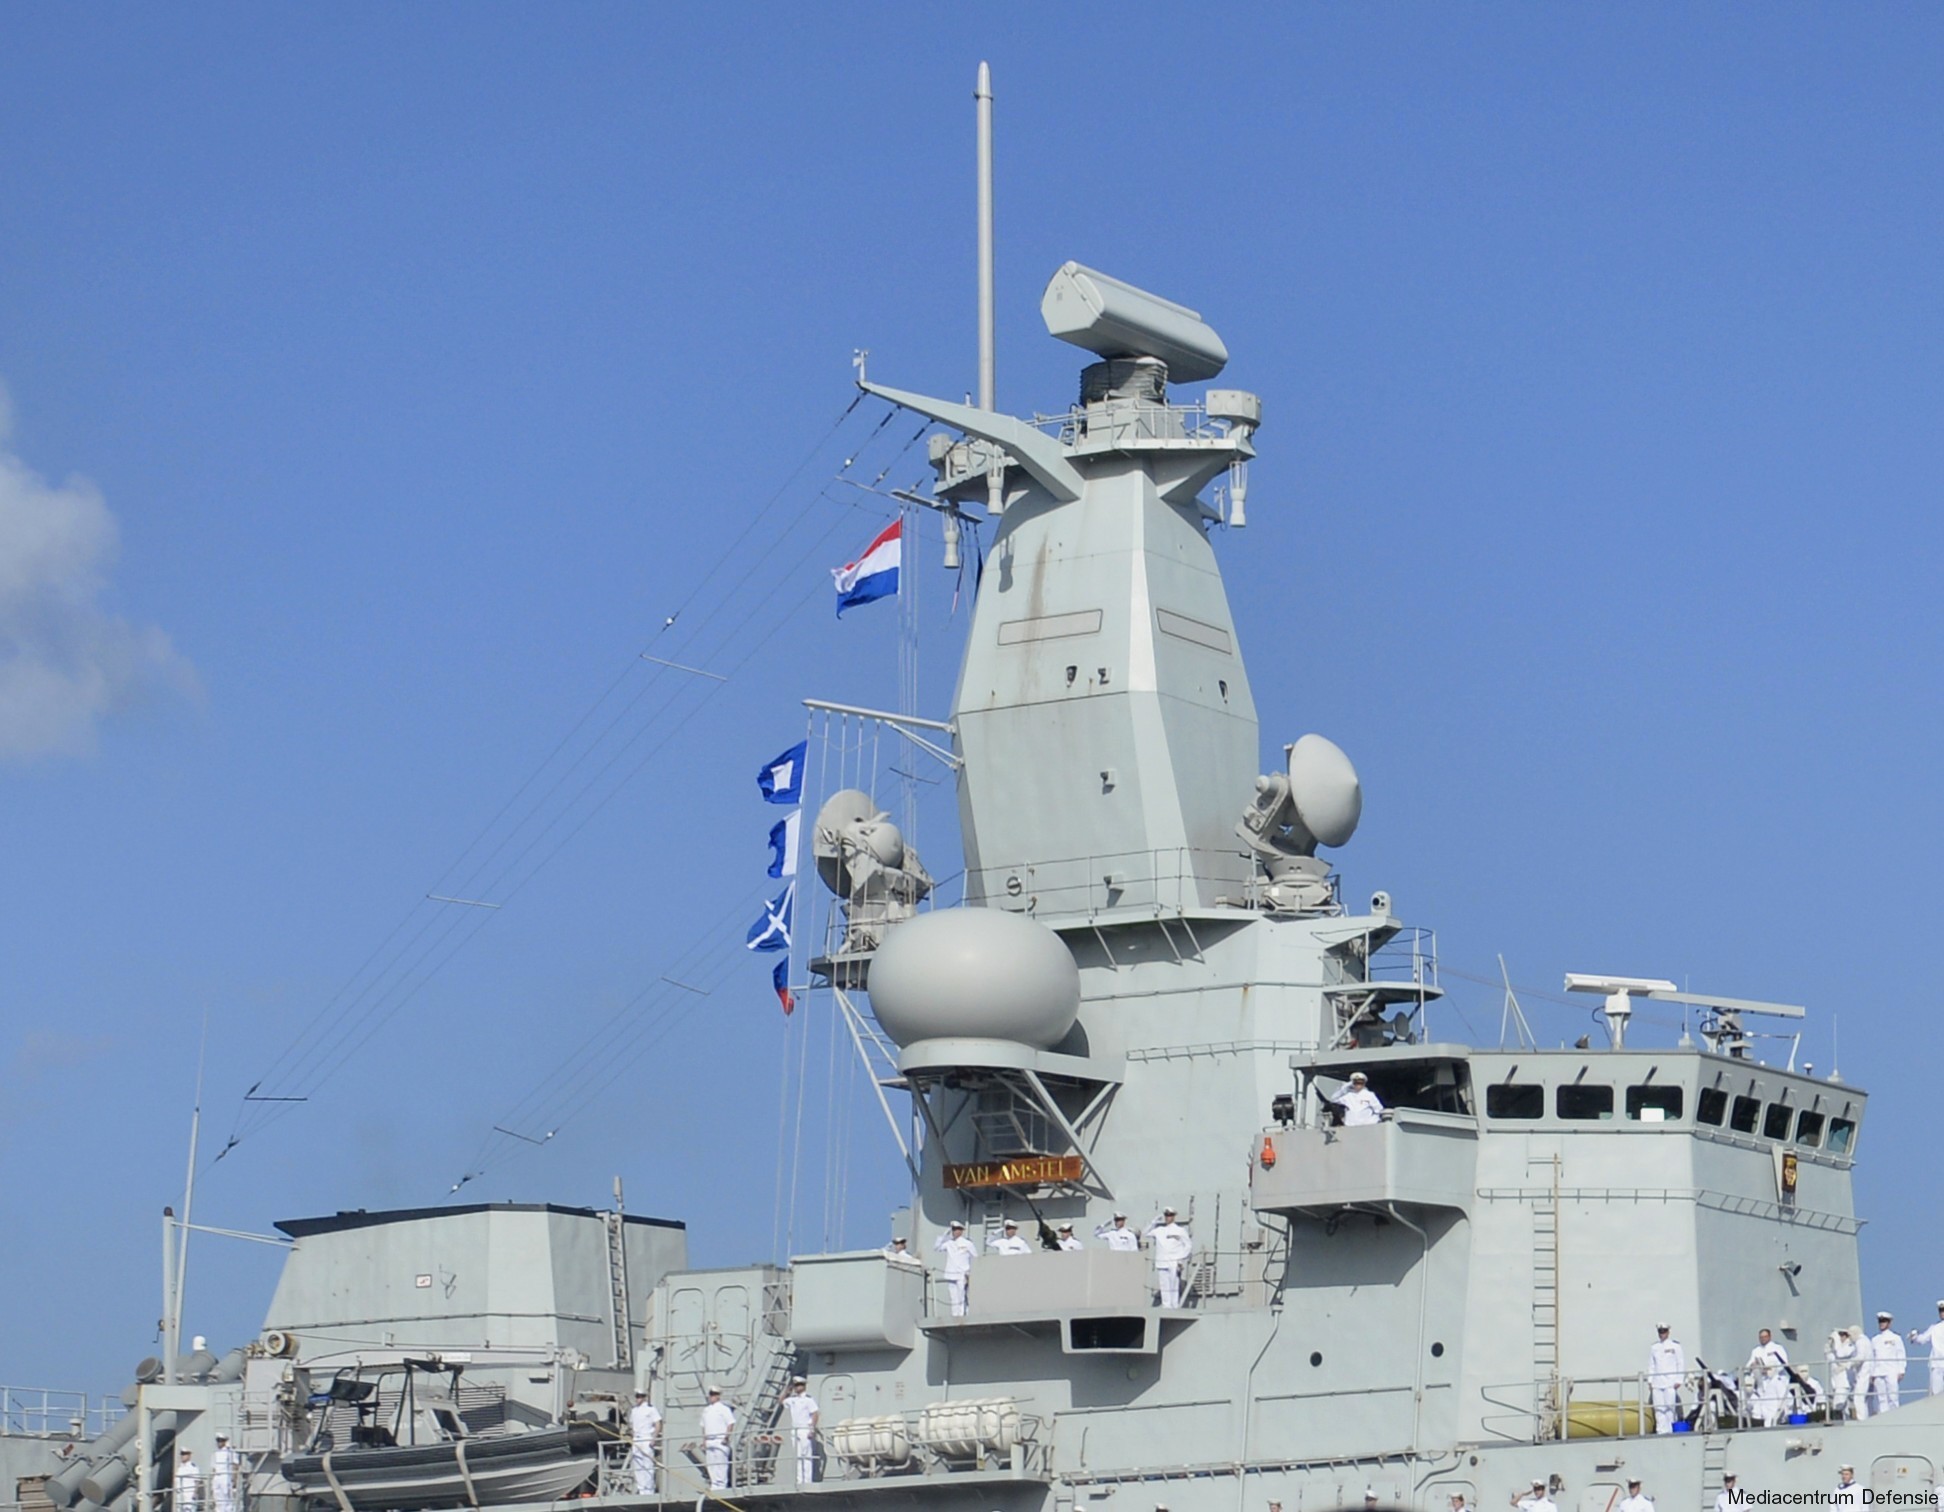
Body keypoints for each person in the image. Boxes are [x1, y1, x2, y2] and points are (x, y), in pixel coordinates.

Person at [1145, 1207, 1193, 1309]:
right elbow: (1145, 1233)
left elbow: (1188, 1245)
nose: (1168, 1217)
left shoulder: (1180, 1231)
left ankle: (1174, 1305)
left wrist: (1181, 1257)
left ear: (1174, 1217)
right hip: (1162, 1261)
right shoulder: (1159, 1230)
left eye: (1170, 1215)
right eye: (1166, 1215)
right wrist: (1153, 1222)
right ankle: (1166, 1305)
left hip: (1174, 1262)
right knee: (1164, 1286)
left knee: (1173, 1285)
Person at [1745, 1328, 1789, 1427]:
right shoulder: (1756, 1351)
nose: (1763, 1339)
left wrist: (1769, 1369)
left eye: (1765, 1337)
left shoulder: (1777, 1348)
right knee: (1761, 1405)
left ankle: (1781, 1419)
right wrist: (1753, 1365)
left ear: (1769, 1336)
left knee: (1778, 1403)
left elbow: (1784, 1364)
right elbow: (1748, 1366)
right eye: (1761, 1337)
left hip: (1775, 1380)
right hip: (1761, 1382)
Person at [933, 1220, 977, 1316]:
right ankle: (955, 1315)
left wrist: (970, 1272)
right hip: (951, 1273)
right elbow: (936, 1248)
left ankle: (962, 1314)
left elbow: (975, 1257)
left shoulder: (968, 1243)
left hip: (963, 1274)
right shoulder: (949, 1243)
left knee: (961, 1296)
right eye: (953, 1230)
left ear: (961, 1231)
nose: (955, 1232)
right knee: (953, 1297)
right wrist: (945, 1234)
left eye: (957, 1229)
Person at [1647, 1323, 1685, 1433]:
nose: (1661, 1334)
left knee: (1670, 1408)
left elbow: (1680, 1363)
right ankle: (1661, 1430)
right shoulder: (1654, 1347)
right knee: (1659, 1408)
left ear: (1668, 1332)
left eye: (1664, 1331)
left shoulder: (1675, 1346)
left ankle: (1669, 1429)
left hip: (1670, 1381)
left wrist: (1679, 1379)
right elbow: (1652, 1365)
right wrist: (1650, 1380)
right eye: (1660, 1332)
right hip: (1657, 1382)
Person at [782, 1376, 818, 1486]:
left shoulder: (808, 1400)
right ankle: (799, 1480)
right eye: (795, 1385)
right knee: (798, 1457)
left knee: (806, 1455)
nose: (797, 1387)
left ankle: (807, 1481)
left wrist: (812, 1429)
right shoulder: (792, 1400)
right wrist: (786, 1391)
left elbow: (815, 1414)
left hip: (804, 1429)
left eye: (799, 1385)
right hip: (795, 1430)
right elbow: (781, 1401)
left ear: (803, 1386)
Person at [1870, 1311, 1907, 1416]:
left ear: (1889, 1323)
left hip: (1891, 1370)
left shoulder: (1895, 1338)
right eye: (1880, 1321)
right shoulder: (1875, 1339)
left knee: (1893, 1396)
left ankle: (1894, 1416)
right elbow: (1872, 1358)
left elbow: (1901, 1354)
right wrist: (1871, 1373)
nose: (1881, 1323)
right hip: (1878, 1371)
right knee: (1881, 1398)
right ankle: (1883, 1417)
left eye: (1884, 1321)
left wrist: (1901, 1370)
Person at [699, 1386, 735, 1490]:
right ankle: (714, 1484)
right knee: (711, 1464)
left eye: (714, 1395)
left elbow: (730, 1423)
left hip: (720, 1439)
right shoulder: (706, 1410)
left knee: (721, 1464)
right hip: (709, 1440)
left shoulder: (723, 1409)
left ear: (718, 1396)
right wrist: (704, 1440)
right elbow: (703, 1426)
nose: (712, 1397)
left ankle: (721, 1485)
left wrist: (726, 1436)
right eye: (711, 1395)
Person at [627, 1388, 661, 1495]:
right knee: (638, 1466)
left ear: (644, 1397)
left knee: (647, 1465)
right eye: (637, 1396)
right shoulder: (634, 1410)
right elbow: (632, 1425)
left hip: (646, 1438)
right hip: (637, 1439)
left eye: (640, 1396)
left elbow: (658, 1424)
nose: (638, 1398)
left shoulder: (650, 1409)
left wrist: (653, 1438)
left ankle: (648, 1489)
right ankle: (642, 1489)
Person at [1908, 1301, 1944, 1397]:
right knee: (1936, 1392)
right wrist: (1914, 1337)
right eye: (1941, 1311)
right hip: (1937, 1364)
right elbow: (1922, 1339)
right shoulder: (1934, 1328)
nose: (1942, 1313)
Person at [1828, 1327, 1863, 1418]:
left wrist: (1836, 1342)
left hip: (1844, 1383)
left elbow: (1840, 1354)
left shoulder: (1850, 1346)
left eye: (1841, 1335)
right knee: (1844, 1409)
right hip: (1836, 1383)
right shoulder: (1837, 1348)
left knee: (1837, 1406)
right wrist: (1829, 1348)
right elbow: (1830, 1358)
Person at [210, 1433, 240, 1512]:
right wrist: (212, 1480)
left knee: (227, 1499)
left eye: (221, 1440)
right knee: (217, 1498)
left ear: (224, 1441)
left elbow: (235, 1465)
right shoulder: (215, 1453)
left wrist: (234, 1479)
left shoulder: (230, 1452)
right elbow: (214, 1468)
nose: (219, 1442)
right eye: (218, 1440)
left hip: (225, 1476)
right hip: (217, 1477)